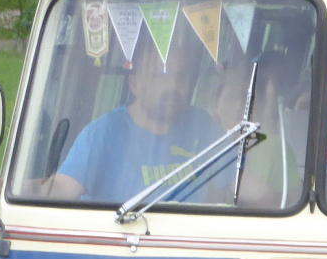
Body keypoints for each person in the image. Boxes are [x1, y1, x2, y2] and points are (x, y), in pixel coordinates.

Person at [44, 22, 217, 204]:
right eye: (161, 76)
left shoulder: (203, 125)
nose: (173, 85)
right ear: (134, 84)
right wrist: (26, 191)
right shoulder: (104, 133)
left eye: (181, 76)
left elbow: (234, 189)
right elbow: (62, 188)